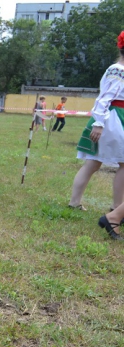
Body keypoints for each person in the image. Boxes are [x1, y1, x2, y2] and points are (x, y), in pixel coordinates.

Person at [69, 32, 124, 212]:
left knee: (93, 163)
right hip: (113, 118)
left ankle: (75, 202)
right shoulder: (118, 69)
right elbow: (105, 97)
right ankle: (117, 209)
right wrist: (99, 123)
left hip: (114, 117)